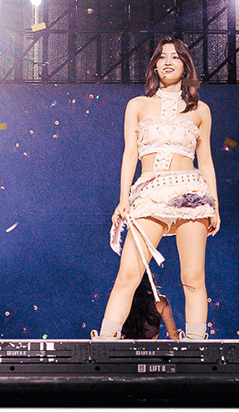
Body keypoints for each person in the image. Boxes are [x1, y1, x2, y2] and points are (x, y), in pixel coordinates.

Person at [93, 37, 220, 341]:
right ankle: (106, 341)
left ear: (185, 65)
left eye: (175, 57)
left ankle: (195, 345)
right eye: (162, 57)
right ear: (154, 66)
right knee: (128, 274)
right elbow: (129, 154)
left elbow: (206, 160)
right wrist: (123, 198)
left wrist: (215, 205)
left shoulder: (200, 110)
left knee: (192, 277)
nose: (168, 62)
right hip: (149, 193)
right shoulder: (137, 105)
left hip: (190, 193)